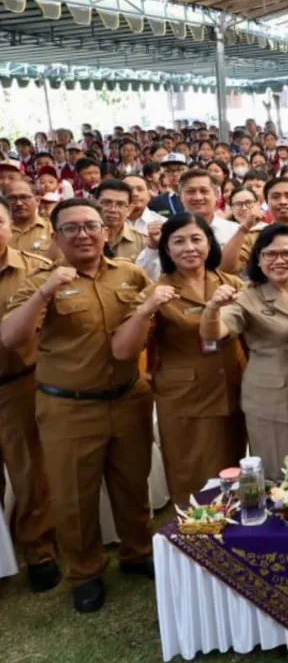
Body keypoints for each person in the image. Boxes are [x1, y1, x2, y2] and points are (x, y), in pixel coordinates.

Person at [1, 198, 157, 613]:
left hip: (127, 398)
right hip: (69, 407)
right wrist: (47, 291)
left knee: (132, 483)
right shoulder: (39, 281)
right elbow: (12, 337)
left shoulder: (130, 273)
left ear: (106, 232)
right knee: (74, 496)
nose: (83, 234)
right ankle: (85, 572)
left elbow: (152, 319)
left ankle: (137, 551)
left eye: (91, 225)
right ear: (55, 237)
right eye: (71, 228)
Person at [111, 212, 246, 507]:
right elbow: (124, 350)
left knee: (236, 476)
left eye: (196, 239)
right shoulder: (158, 291)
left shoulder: (231, 283)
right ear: (167, 249)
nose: (189, 248)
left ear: (209, 243)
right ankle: (194, 533)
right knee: (194, 482)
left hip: (233, 393)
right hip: (187, 400)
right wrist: (147, 309)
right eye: (179, 241)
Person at [200, 224, 288, 478]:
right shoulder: (248, 296)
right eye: (270, 254)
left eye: (286, 253)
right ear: (258, 259)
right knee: (281, 478)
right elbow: (213, 333)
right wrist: (213, 308)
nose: (279, 260)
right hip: (273, 403)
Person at [0, 195, 60, 593]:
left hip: (17, 384)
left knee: (28, 471)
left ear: (9, 226)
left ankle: (39, 550)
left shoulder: (35, 270)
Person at [6, 176, 58, 261]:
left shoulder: (52, 231)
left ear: (37, 200)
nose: (18, 203)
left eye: (24, 197)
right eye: (12, 198)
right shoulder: (3, 231)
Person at [96, 179, 149, 261]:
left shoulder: (142, 243)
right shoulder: (82, 238)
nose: (113, 210)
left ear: (129, 209)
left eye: (120, 204)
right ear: (95, 204)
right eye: (106, 203)